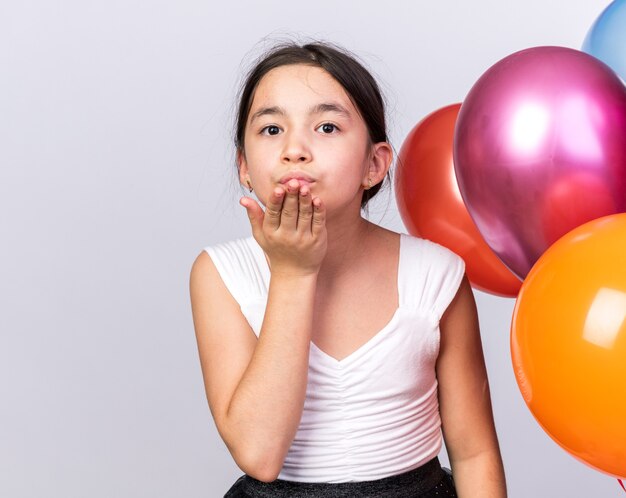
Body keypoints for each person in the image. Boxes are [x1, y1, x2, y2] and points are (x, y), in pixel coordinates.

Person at [189, 40, 507, 498]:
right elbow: (259, 453)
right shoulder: (219, 273)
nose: (295, 149)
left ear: (374, 165)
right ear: (244, 166)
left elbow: (476, 455)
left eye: (326, 126)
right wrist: (294, 274)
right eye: (272, 129)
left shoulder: (436, 276)